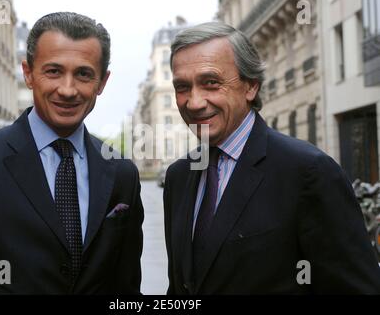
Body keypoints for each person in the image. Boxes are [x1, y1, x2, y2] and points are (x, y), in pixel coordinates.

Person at [0, 12, 144, 294]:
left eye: (83, 74)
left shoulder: (121, 173)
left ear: (101, 82)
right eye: (53, 71)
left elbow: (126, 289)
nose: (68, 90)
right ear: (28, 73)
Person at [163, 21, 380, 294]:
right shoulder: (179, 176)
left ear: (251, 86)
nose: (194, 102)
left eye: (211, 83)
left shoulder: (308, 172)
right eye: (183, 87)